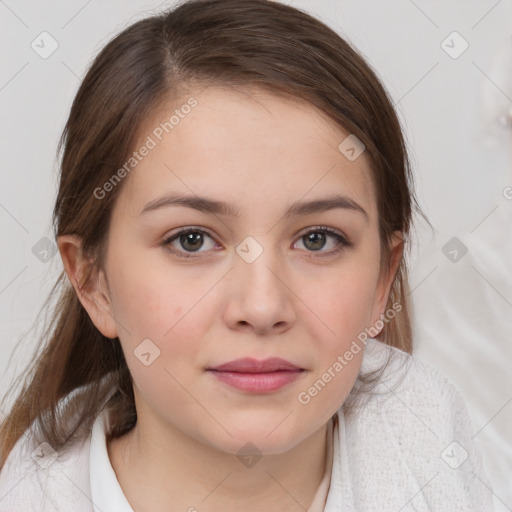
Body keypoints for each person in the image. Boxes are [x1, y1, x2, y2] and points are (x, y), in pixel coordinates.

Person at [0, 0, 494, 510]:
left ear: (382, 280)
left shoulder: (445, 459)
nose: (262, 308)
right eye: (191, 239)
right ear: (92, 281)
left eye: (318, 239)